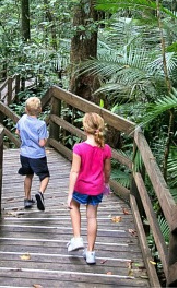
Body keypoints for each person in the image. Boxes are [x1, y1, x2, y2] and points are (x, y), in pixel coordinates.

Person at [66, 112, 111, 265]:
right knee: (92, 217)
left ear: (85, 128)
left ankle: (77, 238)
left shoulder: (79, 148)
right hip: (97, 187)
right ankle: (90, 253)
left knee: (73, 205)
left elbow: (74, 171)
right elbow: (107, 171)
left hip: (81, 186)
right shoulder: (105, 149)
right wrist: (106, 185)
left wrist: (70, 193)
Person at [15, 97, 49, 210]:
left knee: (28, 175)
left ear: (26, 109)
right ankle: (40, 193)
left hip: (24, 154)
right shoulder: (41, 124)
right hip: (37, 155)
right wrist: (46, 139)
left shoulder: (22, 119)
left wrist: (26, 138)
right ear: (40, 109)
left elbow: (17, 131)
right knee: (44, 176)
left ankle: (27, 199)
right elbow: (41, 143)